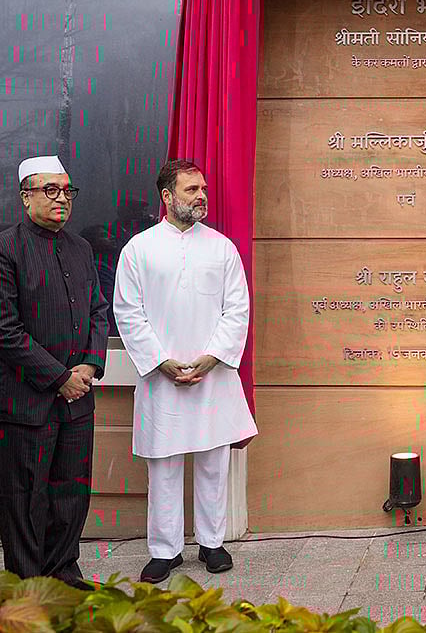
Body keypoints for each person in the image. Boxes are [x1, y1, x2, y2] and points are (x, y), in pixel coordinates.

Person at [114, 159, 258, 584]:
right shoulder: (138, 249)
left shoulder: (222, 247)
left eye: (203, 189)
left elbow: (238, 309)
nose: (201, 196)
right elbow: (127, 312)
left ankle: (212, 543)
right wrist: (161, 361)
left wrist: (211, 358)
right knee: (163, 465)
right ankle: (165, 550)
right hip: (162, 377)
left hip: (212, 374)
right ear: (167, 196)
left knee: (214, 462)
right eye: (192, 189)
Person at [0, 155, 109, 588]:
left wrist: (91, 364)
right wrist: (59, 377)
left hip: (77, 401)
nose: (61, 198)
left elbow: (99, 312)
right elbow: (6, 331)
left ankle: (63, 571)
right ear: (26, 196)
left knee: (71, 491)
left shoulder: (81, 248)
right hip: (26, 402)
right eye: (50, 190)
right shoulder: (6, 248)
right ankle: (27, 585)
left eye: (67, 190)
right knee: (25, 497)